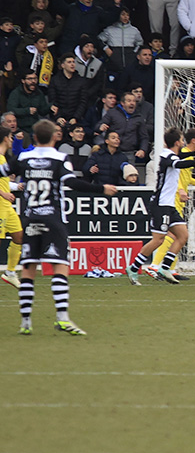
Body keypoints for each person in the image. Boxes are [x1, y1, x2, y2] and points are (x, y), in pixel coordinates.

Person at [3, 121, 118, 335]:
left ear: (34, 138)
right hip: (53, 219)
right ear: (54, 137)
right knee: (60, 266)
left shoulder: (23, 158)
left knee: (28, 269)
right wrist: (101, 189)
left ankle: (25, 322)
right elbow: (73, 183)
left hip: (30, 218)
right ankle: (62, 318)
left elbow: (3, 170)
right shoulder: (59, 158)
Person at [126, 128, 195, 284]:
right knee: (158, 240)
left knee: (183, 236)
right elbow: (179, 163)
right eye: (181, 140)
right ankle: (134, 268)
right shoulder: (167, 156)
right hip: (160, 204)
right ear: (177, 142)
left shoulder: (171, 155)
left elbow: (181, 157)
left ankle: (165, 268)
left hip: (169, 205)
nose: (183, 142)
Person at [149, 128, 195, 279]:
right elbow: (172, 176)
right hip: (173, 198)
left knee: (179, 236)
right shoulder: (179, 154)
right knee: (172, 234)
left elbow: (184, 176)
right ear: (193, 141)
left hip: (178, 197)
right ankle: (155, 266)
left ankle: (170, 269)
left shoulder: (186, 154)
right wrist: (180, 190)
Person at [0, 127, 24, 289]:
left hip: (6, 206)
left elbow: (3, 182)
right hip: (0, 204)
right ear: (4, 138)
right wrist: (3, 194)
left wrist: (14, 187)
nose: (11, 140)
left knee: (19, 236)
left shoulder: (3, 158)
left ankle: (10, 272)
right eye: (10, 137)